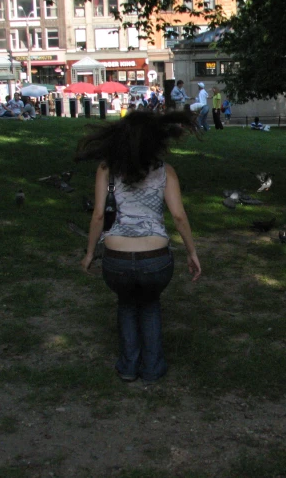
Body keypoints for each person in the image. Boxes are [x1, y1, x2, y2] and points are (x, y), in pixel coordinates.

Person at [76, 111, 202, 383]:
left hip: (116, 260)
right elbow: (179, 216)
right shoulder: (166, 171)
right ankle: (153, 368)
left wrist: (89, 254)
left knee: (126, 304)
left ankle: (128, 367)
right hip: (155, 260)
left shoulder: (106, 169)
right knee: (149, 304)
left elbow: (98, 215)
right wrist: (191, 252)